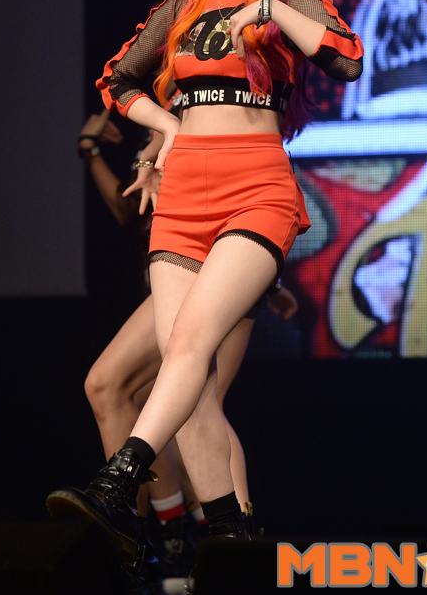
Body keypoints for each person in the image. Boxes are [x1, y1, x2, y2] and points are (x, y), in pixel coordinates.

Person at [47, 0, 363, 571]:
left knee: (187, 348)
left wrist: (270, 9)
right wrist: (168, 126)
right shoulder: (182, 5)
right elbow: (116, 80)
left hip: (257, 189)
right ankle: (233, 539)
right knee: (186, 387)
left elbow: (346, 57)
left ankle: (116, 483)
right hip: (184, 195)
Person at [76, 108, 298, 580]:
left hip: (221, 259)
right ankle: (167, 533)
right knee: (126, 390)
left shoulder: (196, 99)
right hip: (185, 260)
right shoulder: (167, 105)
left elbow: (234, 182)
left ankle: (224, 540)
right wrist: (111, 152)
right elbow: (132, 204)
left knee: (190, 397)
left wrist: (114, 149)